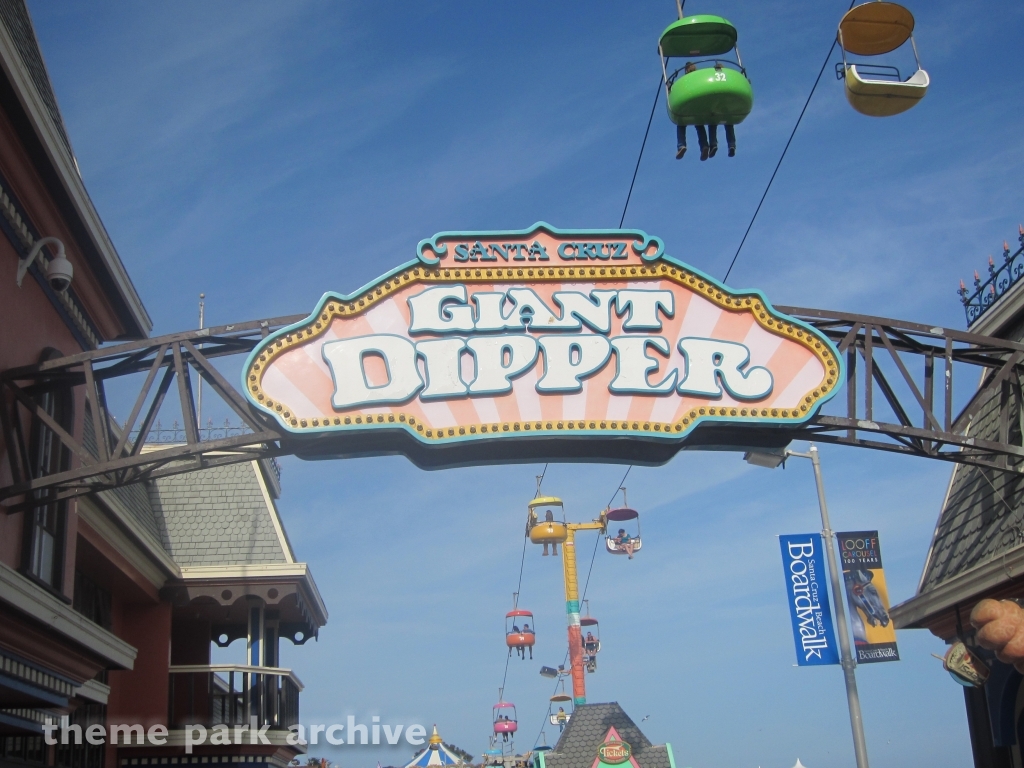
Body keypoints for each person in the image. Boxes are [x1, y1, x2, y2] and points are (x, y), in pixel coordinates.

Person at [675, 63, 713, 160]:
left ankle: (681, 145)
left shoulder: (686, 80)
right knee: (699, 125)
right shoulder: (699, 78)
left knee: (681, 123)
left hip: (689, 104)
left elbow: (680, 91)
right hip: (699, 105)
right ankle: (704, 146)